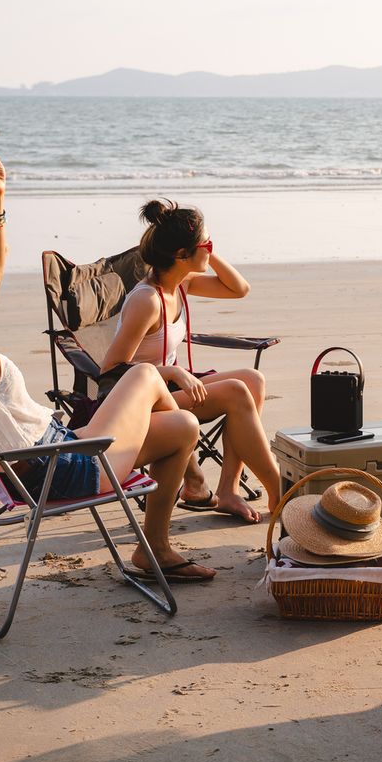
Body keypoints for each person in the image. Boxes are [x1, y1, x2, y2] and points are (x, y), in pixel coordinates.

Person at [0, 137, 216, 582]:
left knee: (183, 426)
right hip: (62, 469)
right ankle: (174, 517)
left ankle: (165, 531)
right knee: (150, 375)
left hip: (51, 453)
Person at [99, 200, 280, 522]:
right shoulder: (148, 300)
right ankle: (280, 493)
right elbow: (111, 371)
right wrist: (170, 371)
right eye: (206, 245)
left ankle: (228, 490)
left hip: (170, 389)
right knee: (238, 390)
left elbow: (240, 289)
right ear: (181, 254)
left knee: (253, 381)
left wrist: (205, 250)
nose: (211, 248)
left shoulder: (182, 283)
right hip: (142, 402)